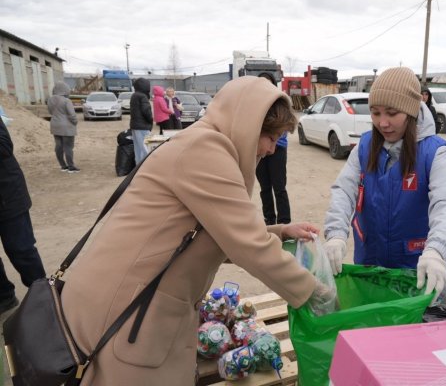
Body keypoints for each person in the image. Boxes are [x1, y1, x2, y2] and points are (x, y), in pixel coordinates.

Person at [61, 77, 335, 385]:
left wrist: (282, 232)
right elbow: (248, 245)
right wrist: (317, 293)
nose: (273, 149)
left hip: (137, 303)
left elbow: (219, 234)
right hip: (124, 311)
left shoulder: (207, 144)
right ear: (248, 127)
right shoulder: (206, 150)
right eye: (271, 138)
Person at [322, 67, 446, 301]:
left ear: (411, 111)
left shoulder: (434, 152)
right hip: (369, 262)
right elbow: (344, 190)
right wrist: (336, 233)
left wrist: (437, 250)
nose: (382, 123)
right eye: (375, 113)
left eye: (392, 113)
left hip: (413, 267)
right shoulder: (366, 146)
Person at [0, 117, 46, 315]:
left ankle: (45, 295)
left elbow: (4, 146)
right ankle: (4, 296)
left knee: (22, 250)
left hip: (7, 195)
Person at [255, 133, 291, 225]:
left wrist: (272, 138)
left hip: (278, 147)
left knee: (279, 187)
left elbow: (285, 124)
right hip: (259, 147)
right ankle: (269, 219)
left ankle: (284, 222)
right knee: (264, 187)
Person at [47, 81, 79, 173]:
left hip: (55, 125)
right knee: (68, 147)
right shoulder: (66, 101)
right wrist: (75, 122)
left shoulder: (50, 99)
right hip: (67, 127)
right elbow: (72, 114)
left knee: (58, 146)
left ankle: (63, 166)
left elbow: (50, 112)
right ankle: (71, 167)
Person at [129, 78, 153, 165]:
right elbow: (146, 111)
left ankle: (138, 166)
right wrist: (150, 120)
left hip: (135, 125)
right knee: (145, 147)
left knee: (138, 148)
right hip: (142, 126)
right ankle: (145, 166)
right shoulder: (142, 96)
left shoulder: (134, 95)